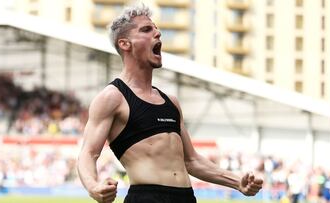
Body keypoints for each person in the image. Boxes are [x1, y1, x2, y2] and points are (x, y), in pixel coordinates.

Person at [77, 4, 263, 203]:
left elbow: (191, 161)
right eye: (146, 29)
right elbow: (88, 153)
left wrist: (237, 182)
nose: (158, 33)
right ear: (125, 44)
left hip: (185, 198)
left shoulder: (171, 102)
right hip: (147, 198)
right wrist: (93, 186)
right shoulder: (113, 97)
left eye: (156, 29)